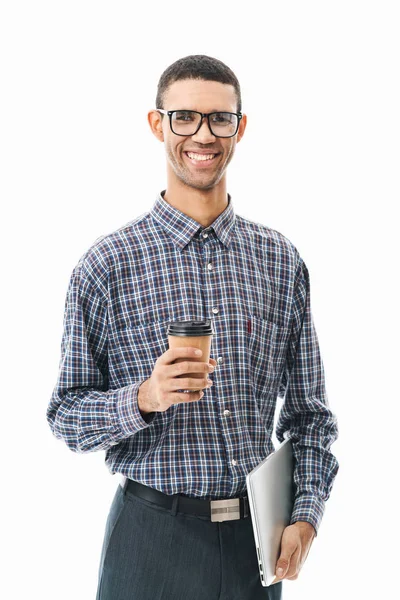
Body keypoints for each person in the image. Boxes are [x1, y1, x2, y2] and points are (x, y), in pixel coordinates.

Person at [46, 54, 339, 600]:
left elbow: (312, 418)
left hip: (258, 543)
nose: (202, 134)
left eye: (219, 118)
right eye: (184, 117)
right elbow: (65, 416)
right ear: (158, 125)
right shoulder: (106, 265)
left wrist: (307, 516)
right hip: (150, 537)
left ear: (240, 128)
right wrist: (144, 397)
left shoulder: (279, 261)